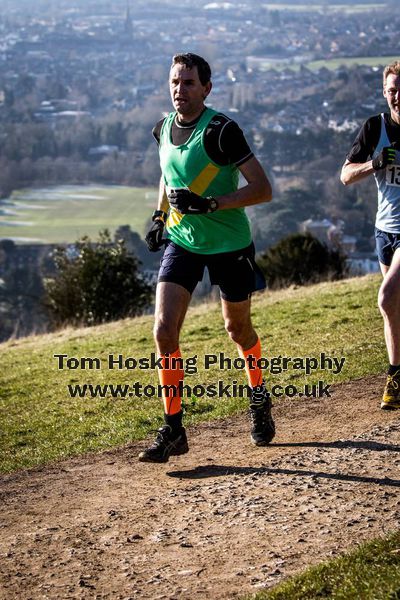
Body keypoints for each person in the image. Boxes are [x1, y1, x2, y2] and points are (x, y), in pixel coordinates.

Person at [139, 53, 274, 463]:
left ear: (206, 88)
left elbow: (263, 189)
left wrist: (211, 203)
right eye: (175, 82)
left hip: (229, 245)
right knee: (164, 331)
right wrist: (160, 216)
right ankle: (174, 429)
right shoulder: (162, 127)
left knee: (238, 331)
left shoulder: (222, 131)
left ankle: (258, 396)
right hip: (182, 241)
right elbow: (167, 173)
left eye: (189, 83)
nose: (180, 90)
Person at [341, 60, 400, 411]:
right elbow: (345, 175)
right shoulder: (374, 128)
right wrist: (375, 163)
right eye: (392, 90)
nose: (397, 97)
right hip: (385, 231)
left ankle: (394, 376)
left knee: (387, 296)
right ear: (384, 92)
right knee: (396, 308)